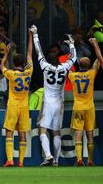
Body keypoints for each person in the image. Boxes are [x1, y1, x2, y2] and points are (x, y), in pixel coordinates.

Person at [31, 25, 77, 166]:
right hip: (59, 103)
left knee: (42, 129)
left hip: (48, 103)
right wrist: (72, 44)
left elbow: (38, 52)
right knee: (56, 132)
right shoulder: (64, 67)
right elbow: (73, 58)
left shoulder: (45, 66)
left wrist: (35, 35)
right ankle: (56, 161)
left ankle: (49, 156)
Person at [0, 29, 33, 167]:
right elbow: (30, 54)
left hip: (13, 105)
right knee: (22, 133)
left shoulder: (12, 74)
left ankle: (10, 160)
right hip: (24, 106)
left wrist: (6, 53)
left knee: (9, 132)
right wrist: (31, 36)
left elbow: (1, 66)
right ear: (24, 63)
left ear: (14, 63)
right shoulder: (28, 72)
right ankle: (21, 162)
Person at [69, 38, 103, 166]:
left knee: (78, 133)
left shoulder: (73, 75)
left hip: (78, 106)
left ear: (79, 65)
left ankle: (78, 159)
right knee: (89, 134)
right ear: (89, 65)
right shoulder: (92, 73)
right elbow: (100, 60)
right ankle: (89, 160)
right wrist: (95, 45)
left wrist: (72, 49)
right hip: (89, 107)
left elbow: (69, 65)